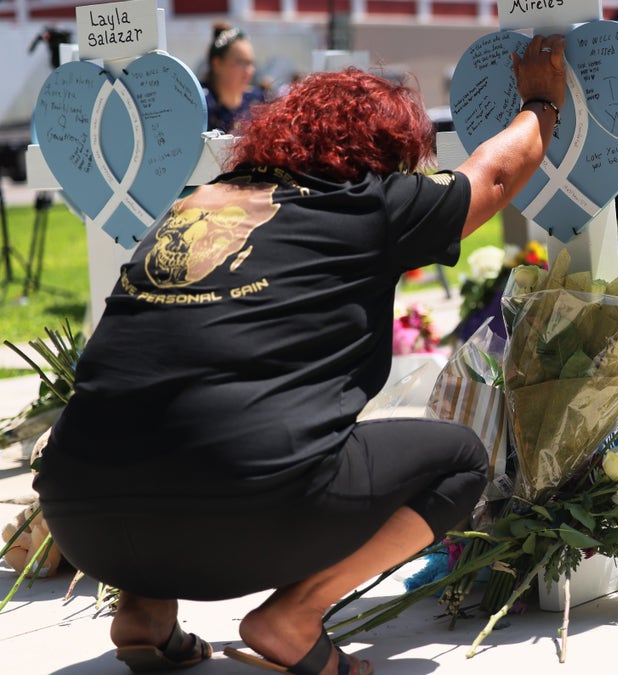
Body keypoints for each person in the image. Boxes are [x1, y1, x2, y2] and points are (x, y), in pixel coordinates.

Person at [32, 34, 568, 675]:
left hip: (80, 518)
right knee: (458, 462)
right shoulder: (365, 203)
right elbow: (496, 174)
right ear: (387, 151)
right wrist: (541, 102)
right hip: (246, 512)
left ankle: (144, 612)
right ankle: (293, 615)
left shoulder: (191, 207)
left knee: (168, 411)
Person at [203, 21, 265, 133]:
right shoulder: (201, 104)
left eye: (250, 63)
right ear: (217, 64)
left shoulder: (257, 102)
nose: (249, 71)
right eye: (241, 62)